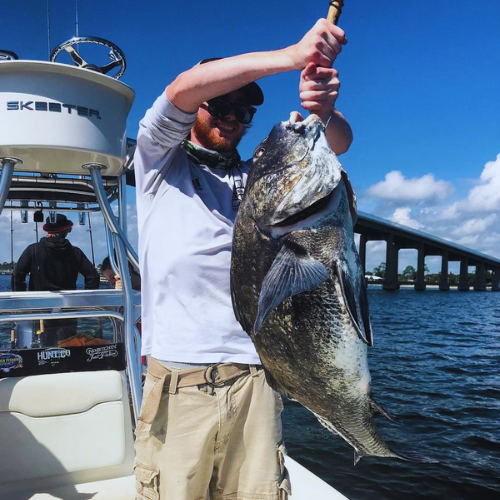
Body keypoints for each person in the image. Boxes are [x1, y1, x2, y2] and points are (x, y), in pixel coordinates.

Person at [133, 19, 352, 500]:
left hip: (259, 376)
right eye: (223, 105)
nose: (234, 118)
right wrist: (293, 56)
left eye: (246, 112)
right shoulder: (158, 161)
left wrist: (324, 111)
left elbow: (337, 145)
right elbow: (180, 90)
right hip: (180, 380)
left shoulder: (263, 174)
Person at [12, 213, 100, 345]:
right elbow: (93, 276)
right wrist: (83, 303)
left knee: (41, 346)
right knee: (67, 348)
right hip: (68, 309)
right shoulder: (75, 253)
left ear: (47, 231)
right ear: (66, 231)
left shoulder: (33, 250)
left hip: (39, 309)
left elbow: (17, 276)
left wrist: (24, 303)